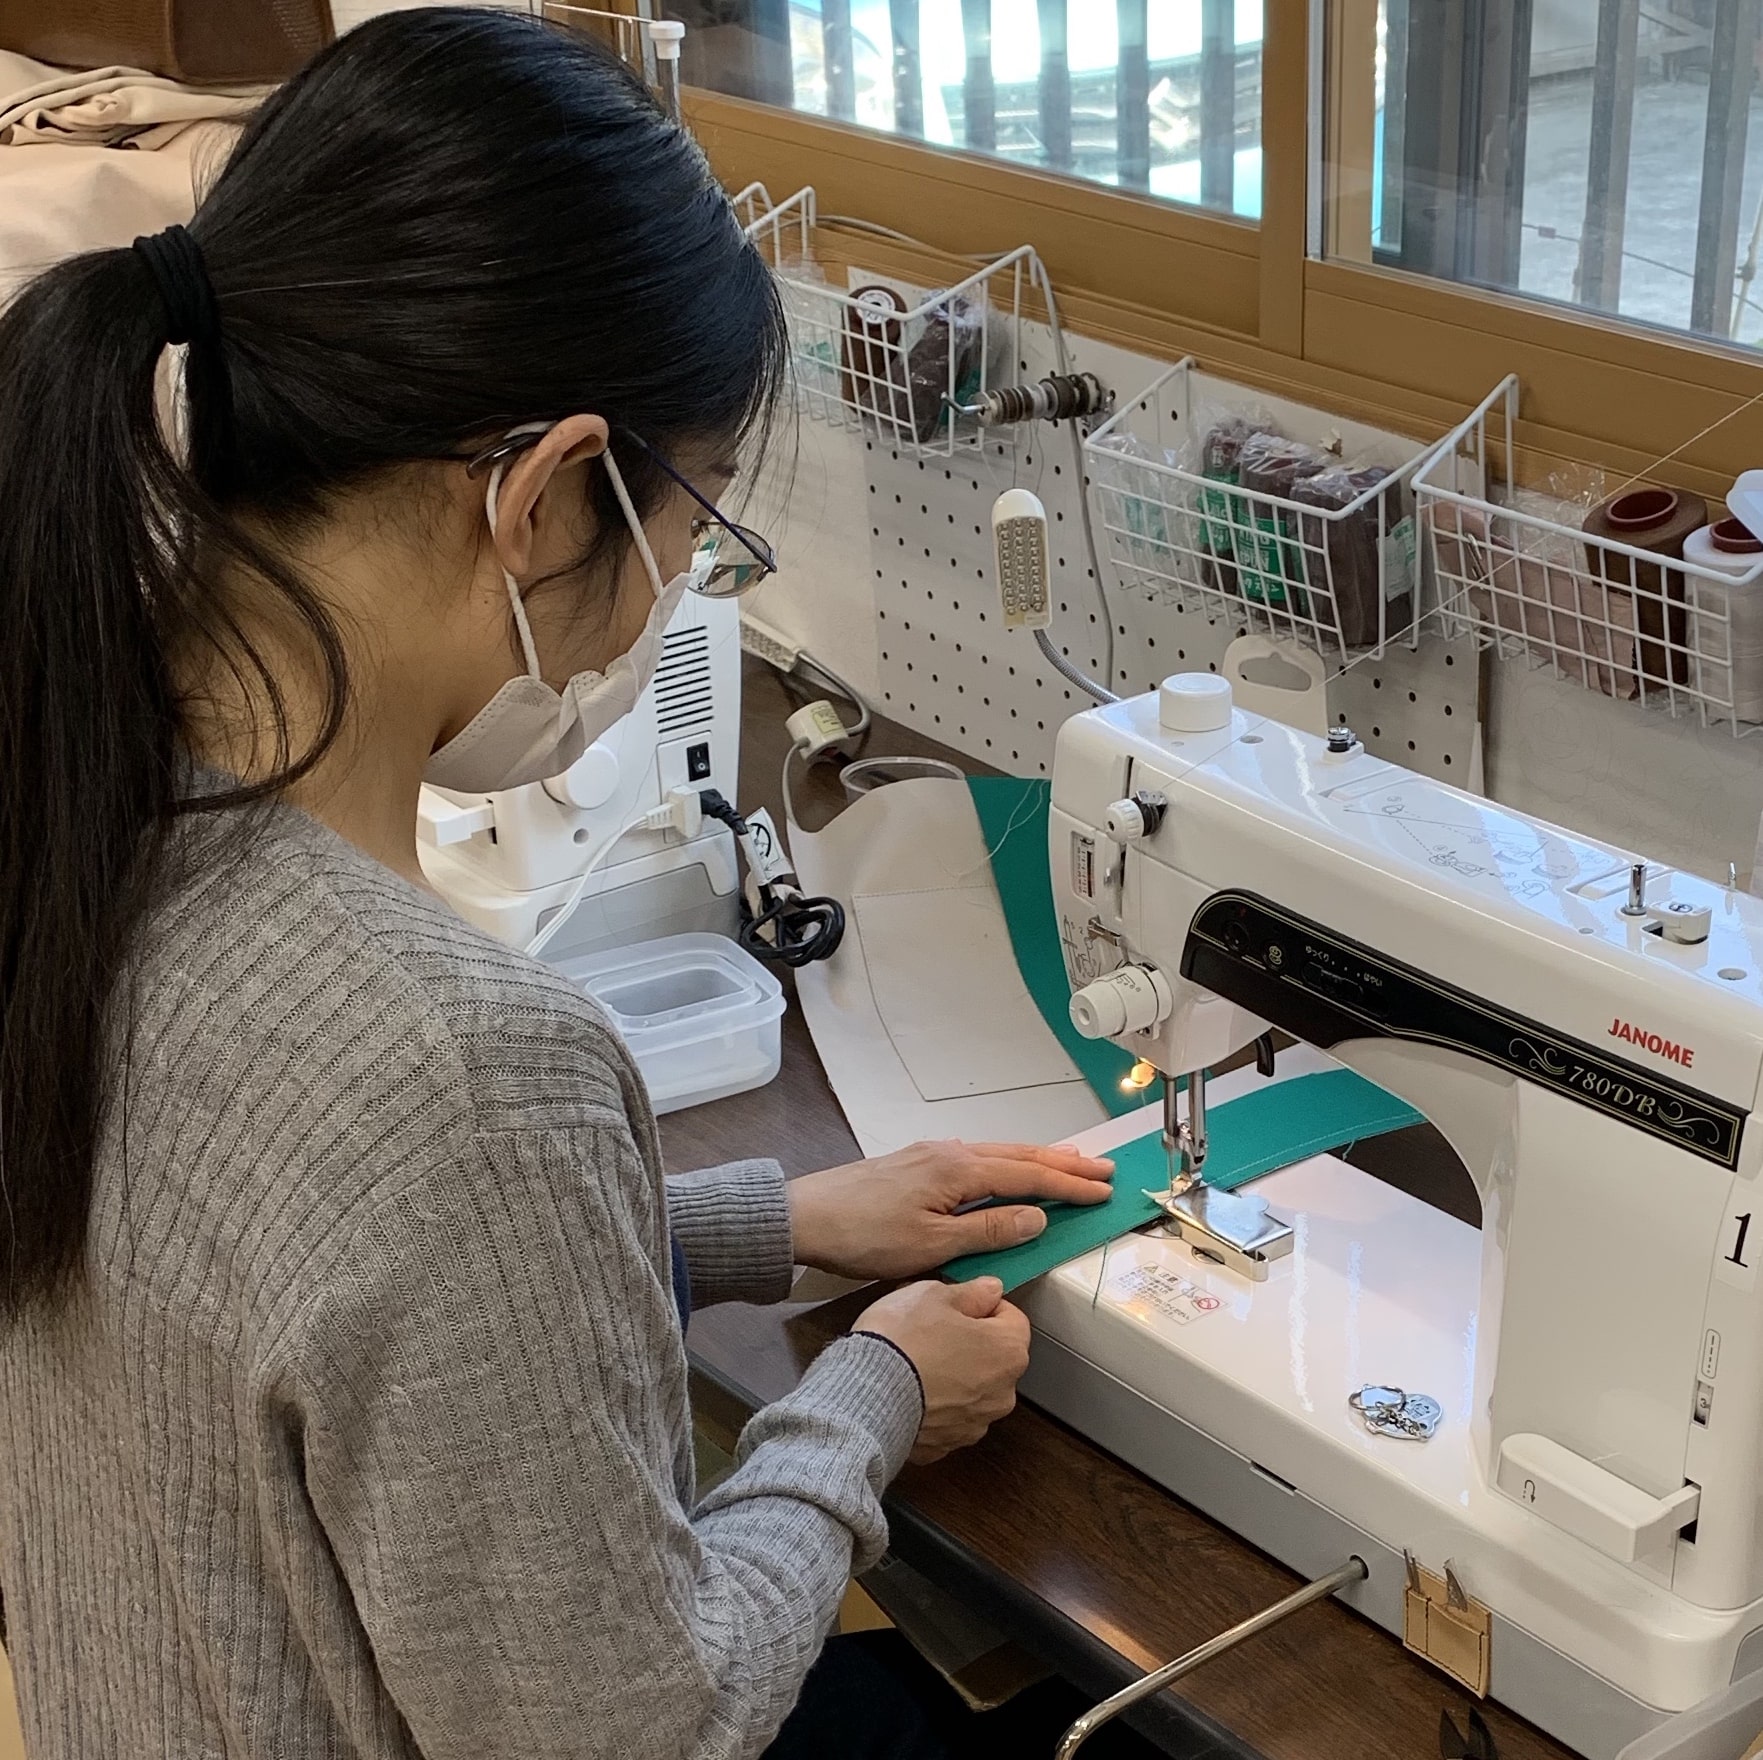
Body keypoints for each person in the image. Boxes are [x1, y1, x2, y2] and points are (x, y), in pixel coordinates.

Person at [0, 10, 1131, 1757]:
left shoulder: (68, 812)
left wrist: (764, 1224)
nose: (682, 585)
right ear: (539, 500)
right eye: (695, 522)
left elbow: (282, 1303)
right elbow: (648, 1728)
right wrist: (874, 1392)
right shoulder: (460, 1070)